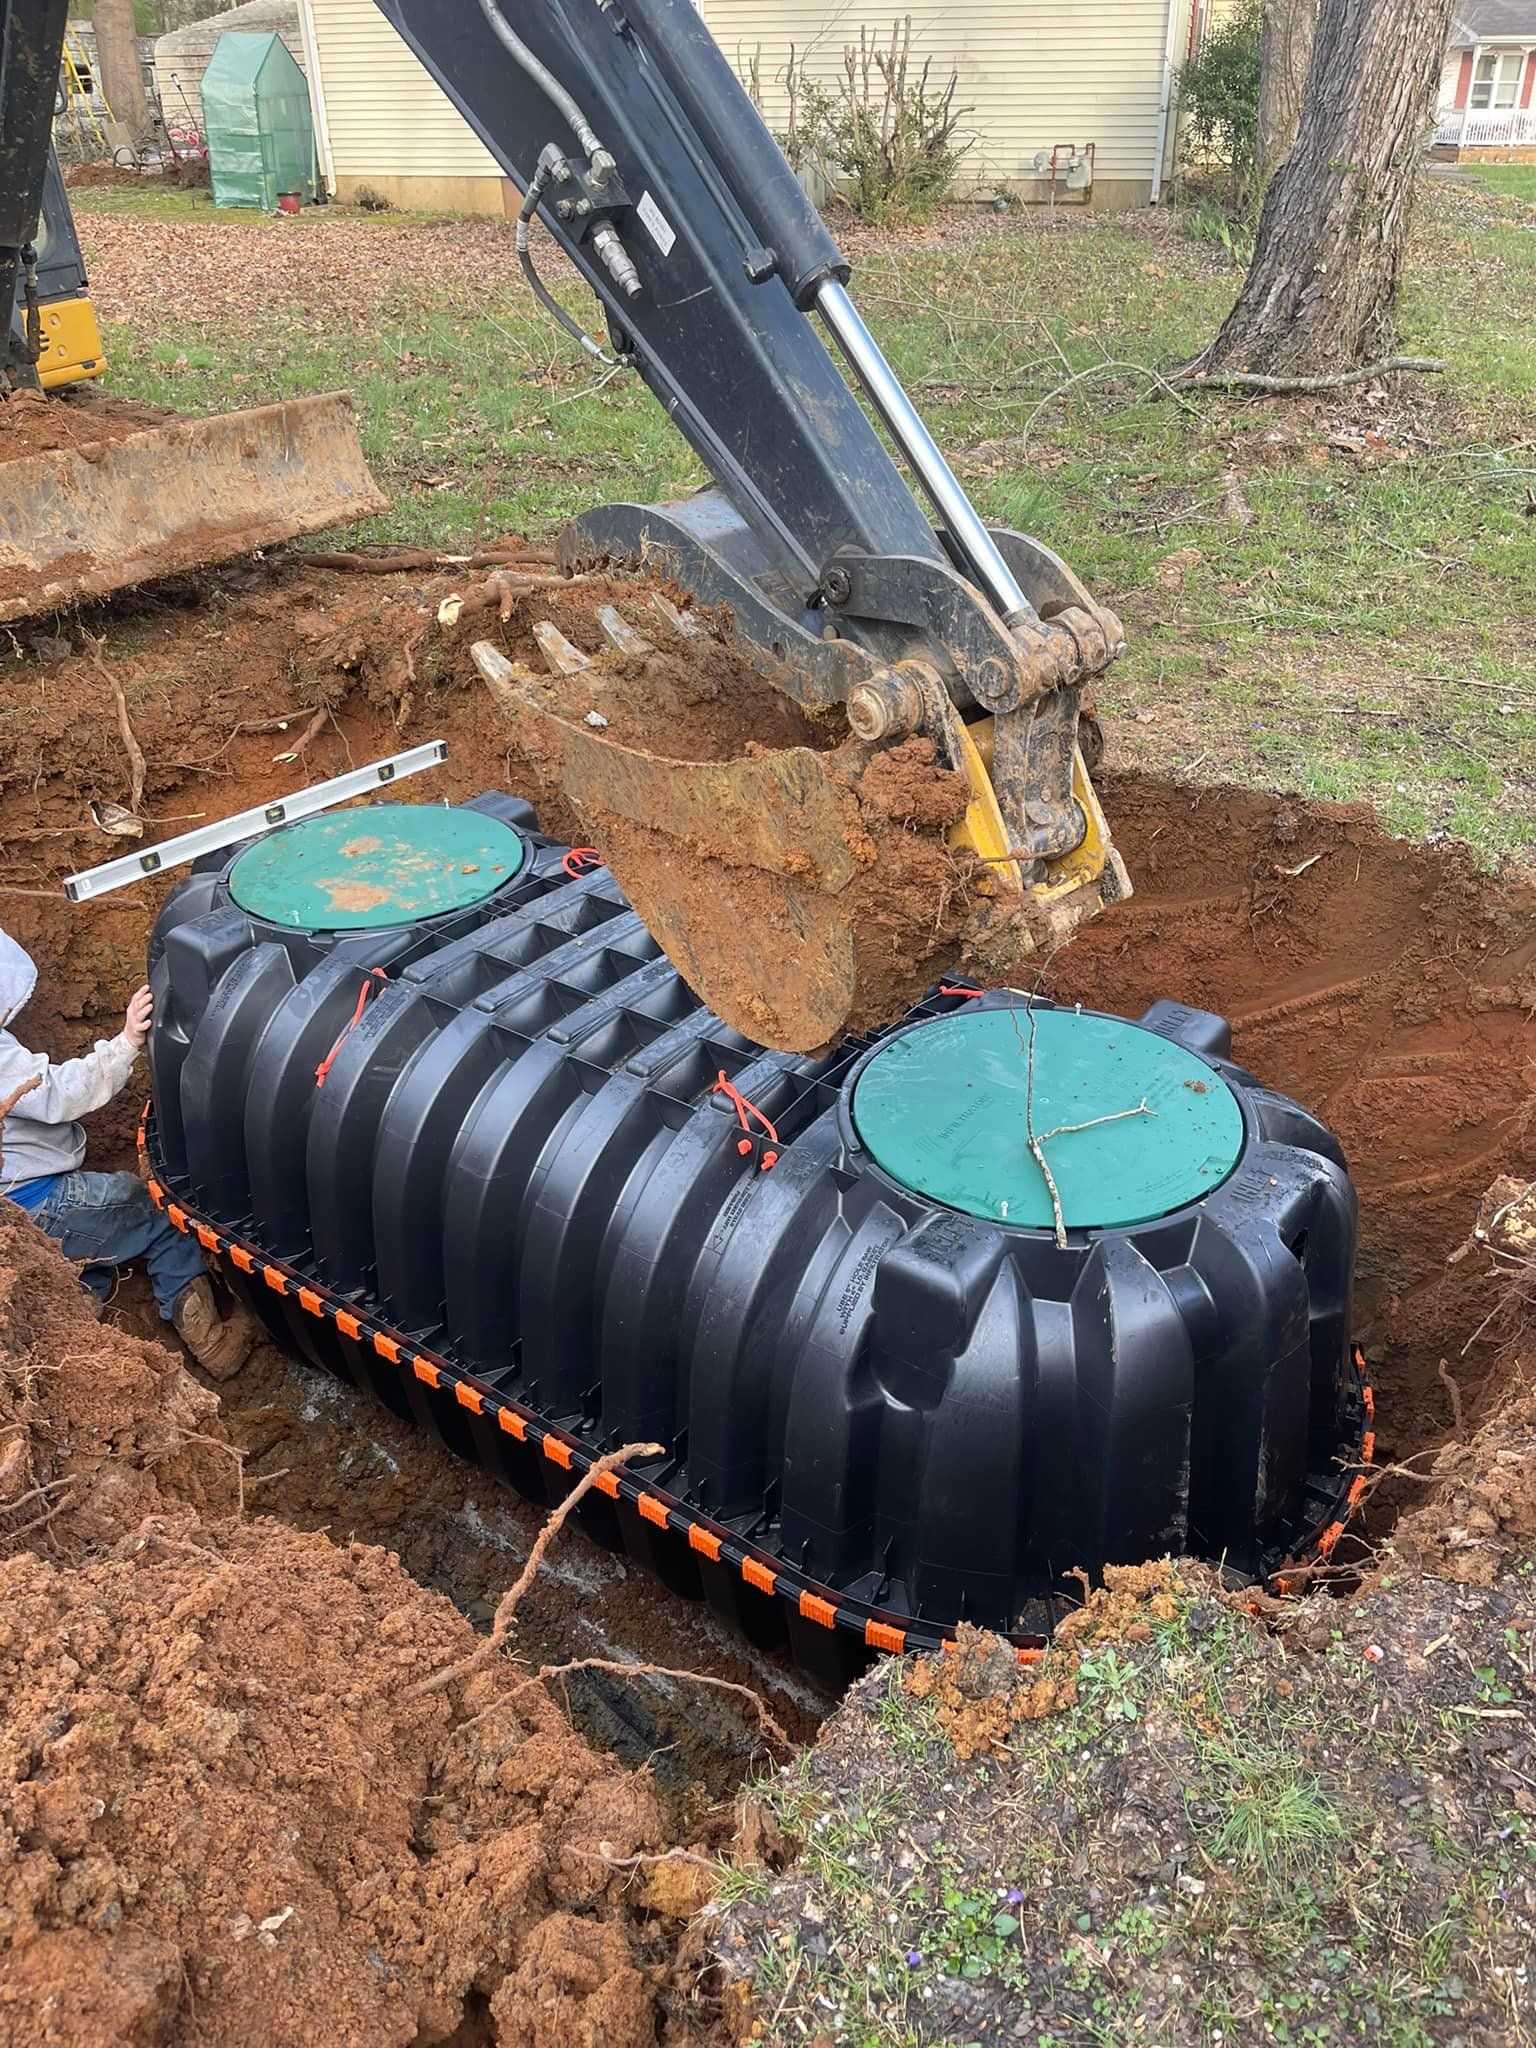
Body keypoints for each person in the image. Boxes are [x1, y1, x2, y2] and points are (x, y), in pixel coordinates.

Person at [0, 929, 254, 1377]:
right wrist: (125, 1044)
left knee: (89, 1266)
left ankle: (74, 1328)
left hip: (13, 1218)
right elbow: (57, 1095)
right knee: (159, 1215)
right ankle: (216, 1347)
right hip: (38, 1200)